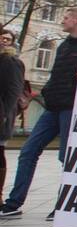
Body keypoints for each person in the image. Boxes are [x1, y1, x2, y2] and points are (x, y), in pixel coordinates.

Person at [0, 7, 77, 220]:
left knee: (67, 157)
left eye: (66, 17)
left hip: (72, 107)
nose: (62, 21)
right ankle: (14, 202)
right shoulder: (64, 46)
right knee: (28, 151)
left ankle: (63, 204)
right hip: (53, 107)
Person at [0, 29, 26, 206]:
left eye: (7, 39)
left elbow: (14, 91)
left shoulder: (10, 62)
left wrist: (4, 115)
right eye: (1, 37)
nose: (4, 41)